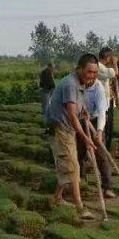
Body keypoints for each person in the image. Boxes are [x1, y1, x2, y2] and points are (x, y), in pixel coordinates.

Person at [44, 53, 101, 220]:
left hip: (67, 128)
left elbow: (77, 109)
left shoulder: (81, 83)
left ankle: (57, 198)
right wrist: (85, 137)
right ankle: (79, 207)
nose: (92, 76)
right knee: (73, 166)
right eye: (89, 72)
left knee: (67, 164)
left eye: (95, 73)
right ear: (80, 69)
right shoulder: (71, 84)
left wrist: (84, 111)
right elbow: (71, 115)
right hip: (61, 127)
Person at [80, 77, 115, 199]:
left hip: (95, 121)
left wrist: (99, 131)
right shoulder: (78, 84)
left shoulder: (98, 88)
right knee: (79, 154)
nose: (88, 80)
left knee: (101, 154)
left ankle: (108, 187)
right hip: (80, 121)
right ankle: (82, 184)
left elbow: (102, 113)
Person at [97, 47, 118, 150]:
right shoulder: (100, 67)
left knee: (108, 126)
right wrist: (114, 63)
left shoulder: (102, 67)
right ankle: (105, 148)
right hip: (103, 102)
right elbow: (115, 73)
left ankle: (106, 147)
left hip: (106, 100)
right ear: (107, 57)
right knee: (106, 126)